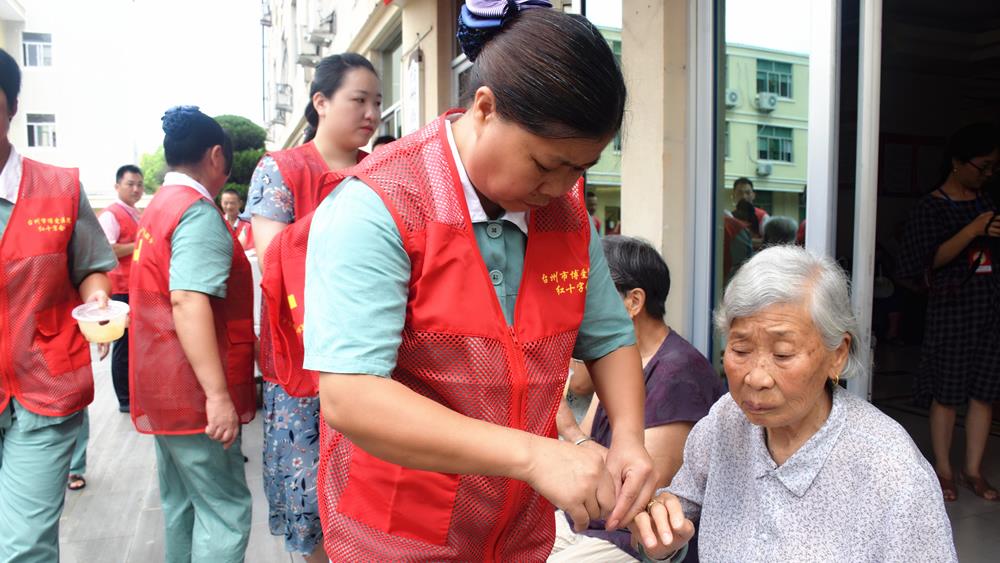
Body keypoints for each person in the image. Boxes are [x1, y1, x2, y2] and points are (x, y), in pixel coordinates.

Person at [302, 2, 655, 560]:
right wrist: (535, 456)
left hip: (514, 530)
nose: (560, 186)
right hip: (400, 532)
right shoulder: (379, 206)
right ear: (485, 108)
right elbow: (351, 397)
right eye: (545, 164)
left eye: (579, 170)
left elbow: (610, 337)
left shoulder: (564, 214)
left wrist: (630, 440)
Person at [631, 246, 957, 562]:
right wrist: (660, 540)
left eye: (783, 354)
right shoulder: (725, 419)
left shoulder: (893, 474)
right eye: (741, 350)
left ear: (838, 355)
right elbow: (680, 505)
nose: (756, 378)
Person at [247, 52, 379, 563]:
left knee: (369, 487)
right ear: (320, 102)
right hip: (303, 359)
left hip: (371, 356)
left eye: (378, 102)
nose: (371, 113)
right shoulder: (280, 170)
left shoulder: (380, 169)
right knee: (314, 493)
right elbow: (274, 256)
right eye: (358, 100)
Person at [0, 48, 116, 562]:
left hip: (42, 389)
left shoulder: (60, 188)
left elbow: (90, 265)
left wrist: (96, 299)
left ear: (11, 105)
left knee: (24, 546)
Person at [129, 106, 256, 563]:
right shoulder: (196, 213)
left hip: (162, 383)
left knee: (182, 504)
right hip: (191, 389)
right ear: (217, 155)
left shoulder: (159, 207)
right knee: (225, 511)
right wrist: (217, 395)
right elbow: (186, 300)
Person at [550, 236, 723, 562]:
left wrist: (570, 432)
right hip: (589, 524)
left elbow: (640, 492)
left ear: (634, 302)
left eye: (593, 294)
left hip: (634, 540)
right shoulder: (620, 357)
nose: (578, 307)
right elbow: (587, 442)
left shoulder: (680, 373)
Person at [897, 123, 1000, 502]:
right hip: (952, 310)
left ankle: (973, 470)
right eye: (983, 166)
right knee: (947, 391)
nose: (987, 174)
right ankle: (943, 469)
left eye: (993, 168)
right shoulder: (931, 207)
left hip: (990, 305)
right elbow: (924, 262)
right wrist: (973, 230)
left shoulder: (988, 202)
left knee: (984, 393)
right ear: (958, 162)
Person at [98, 164, 144, 412]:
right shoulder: (111, 214)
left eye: (139, 184)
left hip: (135, 287)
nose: (136, 189)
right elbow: (108, 249)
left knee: (134, 344)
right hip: (121, 288)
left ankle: (134, 394)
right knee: (123, 344)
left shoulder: (136, 213)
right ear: (117, 187)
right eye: (130, 184)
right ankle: (125, 399)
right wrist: (138, 244)